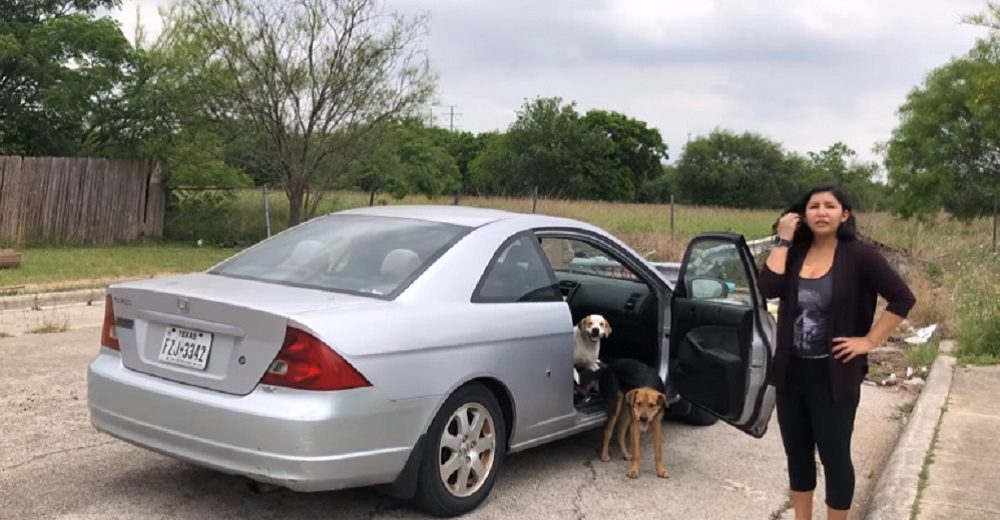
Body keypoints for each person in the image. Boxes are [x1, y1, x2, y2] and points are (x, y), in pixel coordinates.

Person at [758, 184, 916, 520]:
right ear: (803, 214)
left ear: (844, 214)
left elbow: (902, 298)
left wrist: (869, 341)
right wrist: (784, 240)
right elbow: (768, 288)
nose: (821, 212)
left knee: (834, 456)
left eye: (830, 206)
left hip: (834, 375)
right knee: (797, 454)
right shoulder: (795, 252)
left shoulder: (860, 256)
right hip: (791, 372)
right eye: (814, 206)